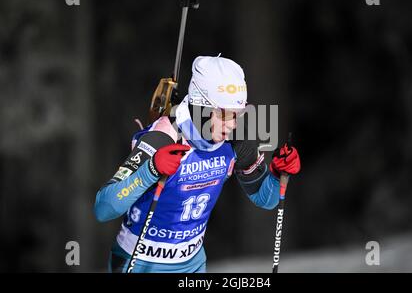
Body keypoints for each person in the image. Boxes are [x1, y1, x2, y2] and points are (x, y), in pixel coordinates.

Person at [94, 55, 301, 273]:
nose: (231, 124)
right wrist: (151, 169)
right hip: (139, 264)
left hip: (191, 266)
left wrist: (278, 175)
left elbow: (265, 199)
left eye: (237, 115)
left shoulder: (235, 139)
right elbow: (103, 208)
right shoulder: (163, 137)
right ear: (200, 105)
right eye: (223, 114)